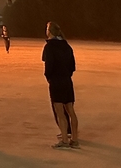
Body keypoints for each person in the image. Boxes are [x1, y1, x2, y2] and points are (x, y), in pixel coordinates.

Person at [43, 22, 79, 150]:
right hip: (67, 81)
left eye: (47, 28)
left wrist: (49, 78)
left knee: (60, 112)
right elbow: (72, 67)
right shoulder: (67, 46)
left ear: (50, 31)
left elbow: (49, 66)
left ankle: (64, 140)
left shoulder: (49, 46)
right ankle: (74, 139)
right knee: (71, 111)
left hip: (56, 81)